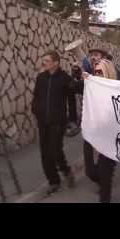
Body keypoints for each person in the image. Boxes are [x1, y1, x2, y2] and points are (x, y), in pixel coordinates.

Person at [31, 51, 76, 196]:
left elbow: (72, 98)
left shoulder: (64, 78)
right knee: (45, 153)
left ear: (56, 62)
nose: (44, 63)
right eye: (43, 60)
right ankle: (53, 182)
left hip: (58, 121)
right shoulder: (41, 78)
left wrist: (73, 119)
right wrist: (36, 111)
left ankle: (66, 171)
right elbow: (36, 97)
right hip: (43, 121)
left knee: (55, 150)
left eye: (47, 60)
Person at [79, 59, 120, 203]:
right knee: (90, 172)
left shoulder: (117, 90)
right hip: (91, 136)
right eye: (95, 72)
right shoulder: (91, 88)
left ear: (108, 73)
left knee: (105, 176)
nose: (97, 74)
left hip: (110, 139)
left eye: (100, 72)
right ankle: (102, 183)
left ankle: (105, 196)